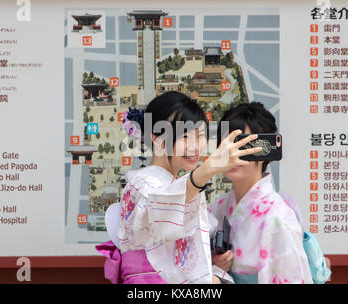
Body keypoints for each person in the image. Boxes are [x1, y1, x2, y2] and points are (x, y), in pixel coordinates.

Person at [96, 92, 262, 284]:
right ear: (157, 139)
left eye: (199, 136)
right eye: (184, 136)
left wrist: (209, 261)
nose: (195, 146)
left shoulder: (171, 183)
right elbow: (164, 203)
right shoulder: (144, 183)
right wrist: (208, 169)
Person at [209, 102, 314, 284]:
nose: (234, 154)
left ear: (264, 150)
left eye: (245, 145)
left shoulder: (278, 217)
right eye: (228, 145)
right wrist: (213, 262)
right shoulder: (219, 206)